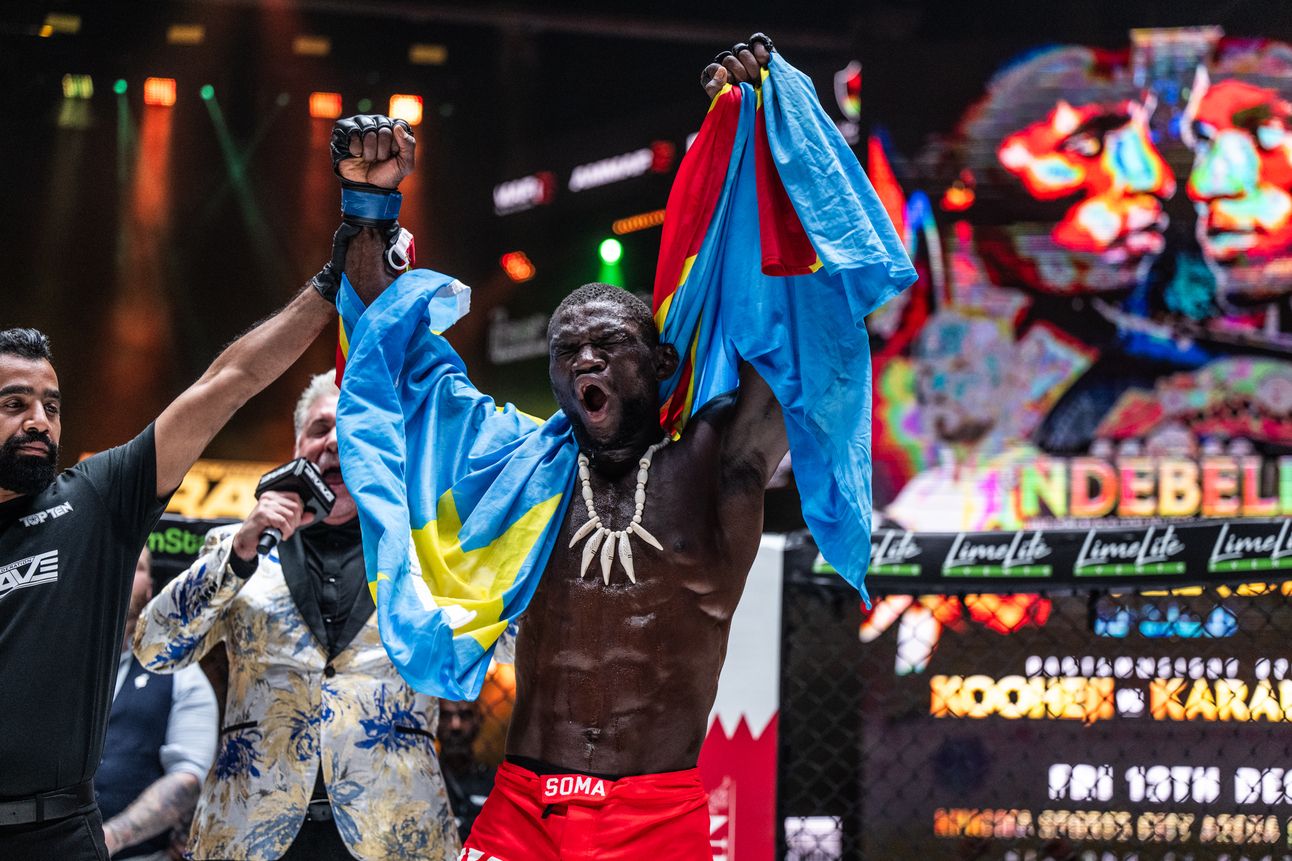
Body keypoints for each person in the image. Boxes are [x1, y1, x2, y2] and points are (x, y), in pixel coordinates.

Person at [0, 113, 412, 860]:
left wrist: (342, 261)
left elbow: (230, 381)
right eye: (14, 403)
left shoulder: (90, 501)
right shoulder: (236, 547)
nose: (39, 421)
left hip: (57, 834)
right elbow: (162, 640)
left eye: (52, 406)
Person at [133, 373, 460, 861]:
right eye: (320, 428)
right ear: (297, 448)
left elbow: (513, 643)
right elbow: (154, 647)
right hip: (251, 831)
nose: (335, 441)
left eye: (354, 427)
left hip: (397, 831)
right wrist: (239, 552)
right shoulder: (235, 546)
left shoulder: (431, 555)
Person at [95, 549, 218, 861]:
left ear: (151, 589)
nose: (121, 569)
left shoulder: (180, 673)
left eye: (136, 566)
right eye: (111, 561)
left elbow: (189, 776)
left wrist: (108, 838)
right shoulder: (48, 662)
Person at [438, 699, 496, 842]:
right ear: (434, 721)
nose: (455, 725)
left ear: (478, 721)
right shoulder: (423, 782)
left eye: (465, 716)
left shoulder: (495, 783)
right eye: (446, 716)